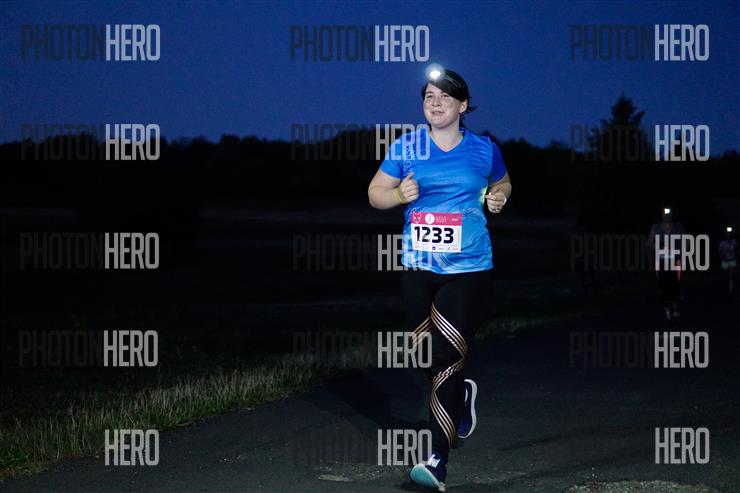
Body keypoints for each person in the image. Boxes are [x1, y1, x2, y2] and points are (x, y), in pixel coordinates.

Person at [368, 66, 511, 492]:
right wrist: (398, 194)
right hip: (417, 266)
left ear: (462, 105)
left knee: (446, 358)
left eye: (445, 96)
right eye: (429, 96)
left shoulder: (484, 149)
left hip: (468, 269)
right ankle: (461, 396)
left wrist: (499, 197)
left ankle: (436, 460)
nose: (435, 102)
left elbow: (503, 183)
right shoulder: (406, 146)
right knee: (424, 356)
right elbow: (375, 193)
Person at [648, 208, 685, 321]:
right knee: (663, 285)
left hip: (675, 260)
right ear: (662, 215)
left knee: (676, 284)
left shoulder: (678, 227)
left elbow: (685, 241)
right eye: (665, 214)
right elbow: (650, 242)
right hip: (662, 261)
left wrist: (680, 251)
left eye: (669, 214)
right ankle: (667, 309)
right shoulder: (656, 227)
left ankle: (675, 306)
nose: (667, 216)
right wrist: (659, 247)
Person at [718, 226, 736, 295]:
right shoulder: (722, 243)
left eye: (729, 234)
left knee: (731, 276)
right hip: (725, 261)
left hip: (732, 260)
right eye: (727, 234)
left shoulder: (734, 242)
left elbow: (736, 250)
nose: (728, 236)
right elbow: (719, 252)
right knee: (724, 276)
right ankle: (724, 289)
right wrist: (722, 256)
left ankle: (731, 290)